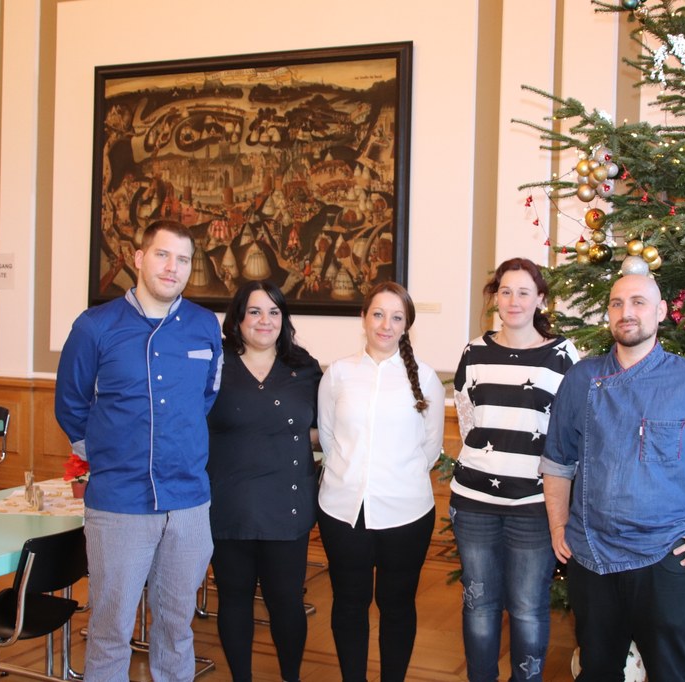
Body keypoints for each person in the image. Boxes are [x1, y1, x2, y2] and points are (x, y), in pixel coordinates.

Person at [540, 273, 685, 682]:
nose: (627, 313)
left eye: (639, 302)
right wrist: (557, 523)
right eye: (617, 303)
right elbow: (556, 462)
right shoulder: (581, 379)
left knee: (670, 673)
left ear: (660, 312)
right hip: (591, 554)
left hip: (667, 556)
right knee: (598, 671)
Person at [55, 219, 222, 681]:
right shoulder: (95, 327)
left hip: (189, 503)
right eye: (163, 255)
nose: (173, 268)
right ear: (138, 258)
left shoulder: (205, 327)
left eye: (183, 259)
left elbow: (206, 396)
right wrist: (110, 454)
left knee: (176, 626)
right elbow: (70, 404)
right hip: (120, 505)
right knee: (110, 630)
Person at [449, 257, 580, 682]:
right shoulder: (474, 352)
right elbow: (469, 422)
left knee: (527, 609)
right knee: (479, 604)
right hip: (473, 503)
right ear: (495, 297)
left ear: (540, 298)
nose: (513, 300)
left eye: (524, 292)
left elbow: (569, 433)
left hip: (534, 506)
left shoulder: (562, 354)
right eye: (505, 291)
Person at [317, 281, 445, 682]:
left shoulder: (425, 379)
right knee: (349, 605)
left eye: (396, 317)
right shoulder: (338, 374)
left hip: (406, 514)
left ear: (406, 326)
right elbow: (328, 436)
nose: (385, 325)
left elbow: (430, 447)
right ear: (363, 318)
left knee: (397, 606)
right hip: (342, 513)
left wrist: (393, 480)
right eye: (378, 314)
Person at [207, 281, 322, 682]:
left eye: (274, 312)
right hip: (228, 503)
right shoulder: (214, 364)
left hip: (286, 508)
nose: (265, 320)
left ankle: (290, 677)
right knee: (234, 600)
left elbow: (324, 429)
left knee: (286, 602)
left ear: (284, 319)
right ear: (237, 319)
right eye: (255, 311)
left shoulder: (304, 367)